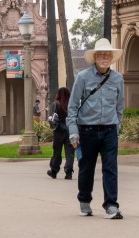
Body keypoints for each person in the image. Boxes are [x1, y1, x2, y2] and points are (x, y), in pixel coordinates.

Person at [67, 38, 125, 219]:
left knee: (110, 168)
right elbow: (72, 107)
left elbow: (120, 106)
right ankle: (84, 201)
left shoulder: (117, 78)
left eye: (108, 54)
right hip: (87, 131)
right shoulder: (83, 77)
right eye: (102, 54)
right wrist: (73, 131)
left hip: (109, 131)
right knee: (86, 168)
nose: (105, 57)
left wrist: (116, 126)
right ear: (95, 57)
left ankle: (111, 205)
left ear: (111, 57)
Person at [47, 87, 74, 180]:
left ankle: (54, 171)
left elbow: (52, 117)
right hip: (70, 130)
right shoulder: (71, 104)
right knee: (70, 153)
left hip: (58, 131)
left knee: (57, 152)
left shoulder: (56, 104)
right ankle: (69, 172)